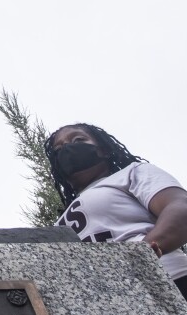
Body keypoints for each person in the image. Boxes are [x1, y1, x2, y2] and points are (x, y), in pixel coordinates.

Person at [45, 123, 187, 300]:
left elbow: (180, 207)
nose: (68, 148)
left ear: (103, 150)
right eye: (59, 149)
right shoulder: (59, 224)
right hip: (113, 303)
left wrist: (142, 253)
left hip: (170, 280)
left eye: (78, 139)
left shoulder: (131, 173)